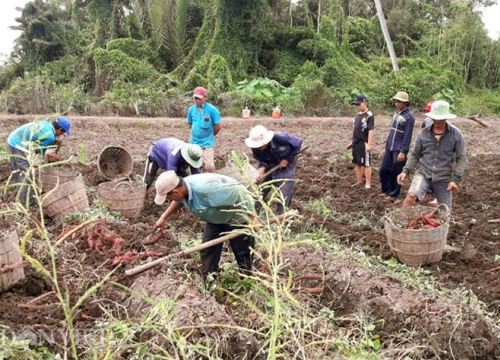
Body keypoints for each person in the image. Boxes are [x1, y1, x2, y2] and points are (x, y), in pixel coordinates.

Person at [153, 171, 254, 284]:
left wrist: (251, 220)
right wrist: (163, 217)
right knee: (208, 250)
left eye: (169, 197)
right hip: (215, 218)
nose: (170, 200)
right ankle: (210, 283)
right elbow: (179, 200)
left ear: (175, 192)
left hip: (237, 216)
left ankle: (247, 282)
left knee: (242, 250)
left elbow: (238, 194)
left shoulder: (207, 190)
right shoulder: (183, 188)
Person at [397, 100, 467, 209]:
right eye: (435, 119)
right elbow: (415, 154)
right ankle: (401, 222)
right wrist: (405, 171)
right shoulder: (423, 133)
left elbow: (461, 158)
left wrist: (455, 180)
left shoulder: (456, 134)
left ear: (446, 118)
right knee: (411, 196)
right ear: (431, 118)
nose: (438, 122)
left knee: (445, 209)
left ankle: (443, 225)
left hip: (443, 177)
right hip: (423, 174)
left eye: (441, 120)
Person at [7, 117, 71, 204]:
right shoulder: (50, 137)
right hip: (17, 144)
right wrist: (48, 156)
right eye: (62, 133)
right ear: (59, 129)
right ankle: (26, 201)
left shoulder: (47, 125)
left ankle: (20, 191)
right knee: (25, 172)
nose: (60, 135)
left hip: (14, 139)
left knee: (20, 169)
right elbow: (39, 151)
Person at [245, 125, 302, 214]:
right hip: (269, 164)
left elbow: (297, 144)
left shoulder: (281, 138)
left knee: (284, 189)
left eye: (262, 145)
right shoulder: (254, 147)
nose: (260, 148)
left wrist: (287, 159)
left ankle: (281, 215)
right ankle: (255, 212)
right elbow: (261, 159)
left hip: (285, 165)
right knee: (260, 188)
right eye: (258, 146)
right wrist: (261, 169)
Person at [379, 91, 415, 201]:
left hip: (399, 148)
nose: (397, 103)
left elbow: (407, 135)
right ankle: (386, 190)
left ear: (405, 103)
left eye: (399, 101)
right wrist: (386, 145)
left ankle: (394, 194)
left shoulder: (409, 117)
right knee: (384, 169)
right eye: (396, 101)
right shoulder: (396, 114)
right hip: (391, 146)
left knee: (396, 171)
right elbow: (392, 132)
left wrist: (403, 151)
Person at [186, 86, 222, 173]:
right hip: (194, 143)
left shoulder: (212, 110)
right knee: (193, 166)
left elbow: (218, 126)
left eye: (199, 98)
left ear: (205, 98)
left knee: (209, 167)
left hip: (207, 144)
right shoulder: (191, 110)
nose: (197, 100)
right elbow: (190, 124)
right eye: (195, 98)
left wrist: (210, 135)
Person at [347, 95, 375, 189]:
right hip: (356, 143)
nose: (357, 106)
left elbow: (371, 130)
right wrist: (352, 142)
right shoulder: (357, 116)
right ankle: (359, 181)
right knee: (357, 163)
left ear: (365, 103)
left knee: (366, 164)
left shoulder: (369, 115)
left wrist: (369, 145)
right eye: (356, 105)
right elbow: (356, 130)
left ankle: (368, 183)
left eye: (359, 104)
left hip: (364, 142)